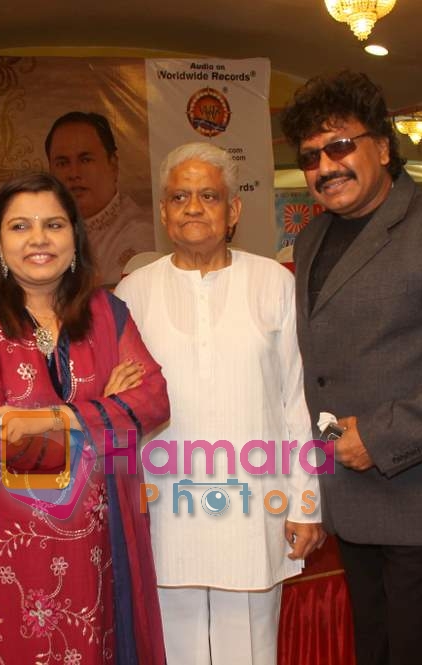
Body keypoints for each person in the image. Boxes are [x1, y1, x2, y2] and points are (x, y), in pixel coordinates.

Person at [279, 71, 422, 665]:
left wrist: (377, 437)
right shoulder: (312, 238)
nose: (325, 165)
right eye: (310, 156)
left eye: (340, 145)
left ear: (382, 145)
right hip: (351, 498)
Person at [114, 142, 326, 665]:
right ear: (163, 211)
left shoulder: (272, 282)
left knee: (250, 649)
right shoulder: (133, 292)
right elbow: (121, 407)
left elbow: (294, 399)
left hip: (254, 504)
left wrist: (305, 502)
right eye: (179, 196)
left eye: (208, 195)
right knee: (175, 648)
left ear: (233, 211)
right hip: (165, 507)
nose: (192, 207)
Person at [0, 172, 170, 665]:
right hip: (10, 541)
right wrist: (105, 416)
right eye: (20, 227)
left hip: (98, 539)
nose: (39, 239)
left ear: (75, 237)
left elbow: (154, 400)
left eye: (54, 224)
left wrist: (50, 418)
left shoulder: (107, 313)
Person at [45, 112, 154, 285]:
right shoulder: (38, 235)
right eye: (63, 163)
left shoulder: (142, 234)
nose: (74, 173)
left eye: (86, 160)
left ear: (113, 165)